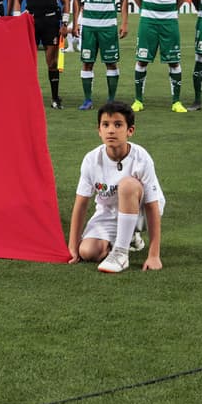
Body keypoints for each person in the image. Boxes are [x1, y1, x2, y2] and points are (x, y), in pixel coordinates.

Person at [67, 100, 164, 274]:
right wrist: (73, 246)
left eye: (118, 125)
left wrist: (154, 254)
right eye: (105, 125)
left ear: (130, 131)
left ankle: (121, 252)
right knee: (88, 251)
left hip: (141, 211)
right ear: (99, 131)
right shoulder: (91, 159)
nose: (111, 130)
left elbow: (152, 206)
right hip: (109, 212)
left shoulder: (142, 158)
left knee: (126, 185)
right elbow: (81, 203)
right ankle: (129, 238)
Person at [131, 0, 189, 113]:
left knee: (174, 61)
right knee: (142, 60)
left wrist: (171, 9)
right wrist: (147, 10)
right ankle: (138, 100)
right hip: (148, 21)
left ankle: (176, 101)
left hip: (169, 22)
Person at [71, 0, 127, 111]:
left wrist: (124, 22)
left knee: (111, 63)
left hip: (108, 25)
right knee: (87, 63)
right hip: (88, 25)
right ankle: (87, 100)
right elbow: (77, 0)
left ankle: (111, 100)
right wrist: (75, 23)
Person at [14, 0, 70, 108]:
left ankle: (55, 98)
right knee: (28, 62)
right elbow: (17, 0)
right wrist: (17, 20)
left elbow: (66, 2)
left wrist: (65, 23)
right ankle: (27, 97)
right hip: (31, 22)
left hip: (51, 22)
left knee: (51, 62)